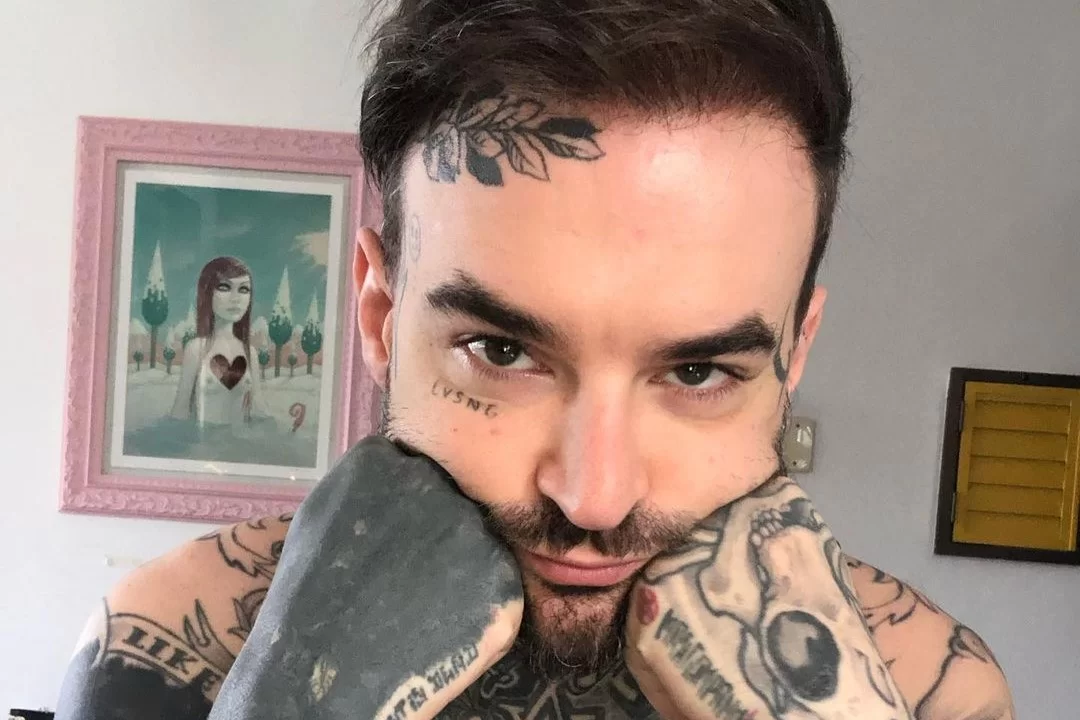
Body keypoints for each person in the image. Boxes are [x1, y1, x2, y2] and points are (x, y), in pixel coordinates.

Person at [55, 1, 1016, 718]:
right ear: (381, 316)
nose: (593, 498)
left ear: (794, 353)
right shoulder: (176, 643)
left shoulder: (931, 690)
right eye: (503, 350)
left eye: (696, 374)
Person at [169, 256, 266, 427]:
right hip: (204, 439)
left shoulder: (250, 353)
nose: (236, 298)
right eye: (224, 287)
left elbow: (258, 409)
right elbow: (180, 410)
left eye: (244, 289)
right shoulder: (196, 348)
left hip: (241, 440)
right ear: (207, 292)